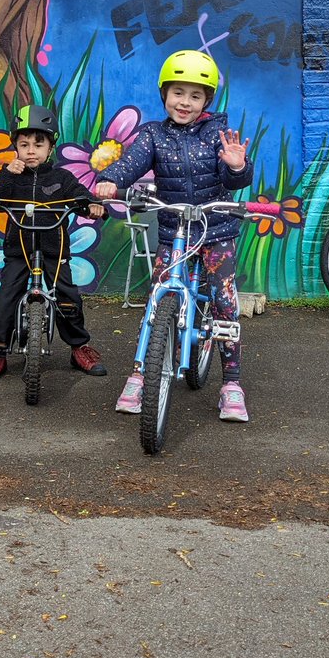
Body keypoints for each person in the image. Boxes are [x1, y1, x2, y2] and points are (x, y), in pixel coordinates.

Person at [95, 49, 254, 422]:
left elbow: (236, 179)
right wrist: (108, 181)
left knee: (224, 302)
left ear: (206, 101)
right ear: (164, 93)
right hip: (174, 232)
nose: (185, 102)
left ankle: (232, 384)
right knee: (157, 300)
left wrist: (237, 167)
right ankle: (139, 374)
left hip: (216, 231)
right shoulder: (152, 135)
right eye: (178, 92)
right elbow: (129, 164)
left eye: (195, 95)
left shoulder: (218, 132)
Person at [0, 104, 106, 382]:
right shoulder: (11, 176)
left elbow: (82, 197)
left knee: (68, 296)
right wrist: (7, 174)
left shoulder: (62, 178)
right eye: (24, 145)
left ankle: (79, 347)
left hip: (54, 249)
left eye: (38, 144)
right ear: (16, 147)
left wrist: (93, 206)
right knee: (4, 298)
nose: (31, 150)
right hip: (18, 250)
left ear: (51, 147)